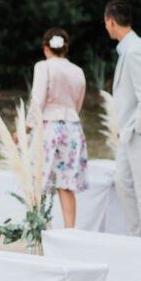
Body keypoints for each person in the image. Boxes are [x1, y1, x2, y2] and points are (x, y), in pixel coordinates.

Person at [104, 0, 141, 238]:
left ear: (111, 21)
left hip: (140, 131)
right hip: (129, 132)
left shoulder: (136, 49)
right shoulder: (128, 49)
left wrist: (138, 128)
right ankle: (137, 234)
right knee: (122, 182)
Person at [27, 27, 87, 228]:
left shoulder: (43, 67)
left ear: (46, 48)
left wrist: (26, 128)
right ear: (66, 48)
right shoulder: (78, 71)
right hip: (72, 128)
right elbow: (78, 104)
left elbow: (37, 102)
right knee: (65, 184)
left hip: (49, 128)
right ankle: (70, 231)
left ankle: (44, 231)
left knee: (39, 182)